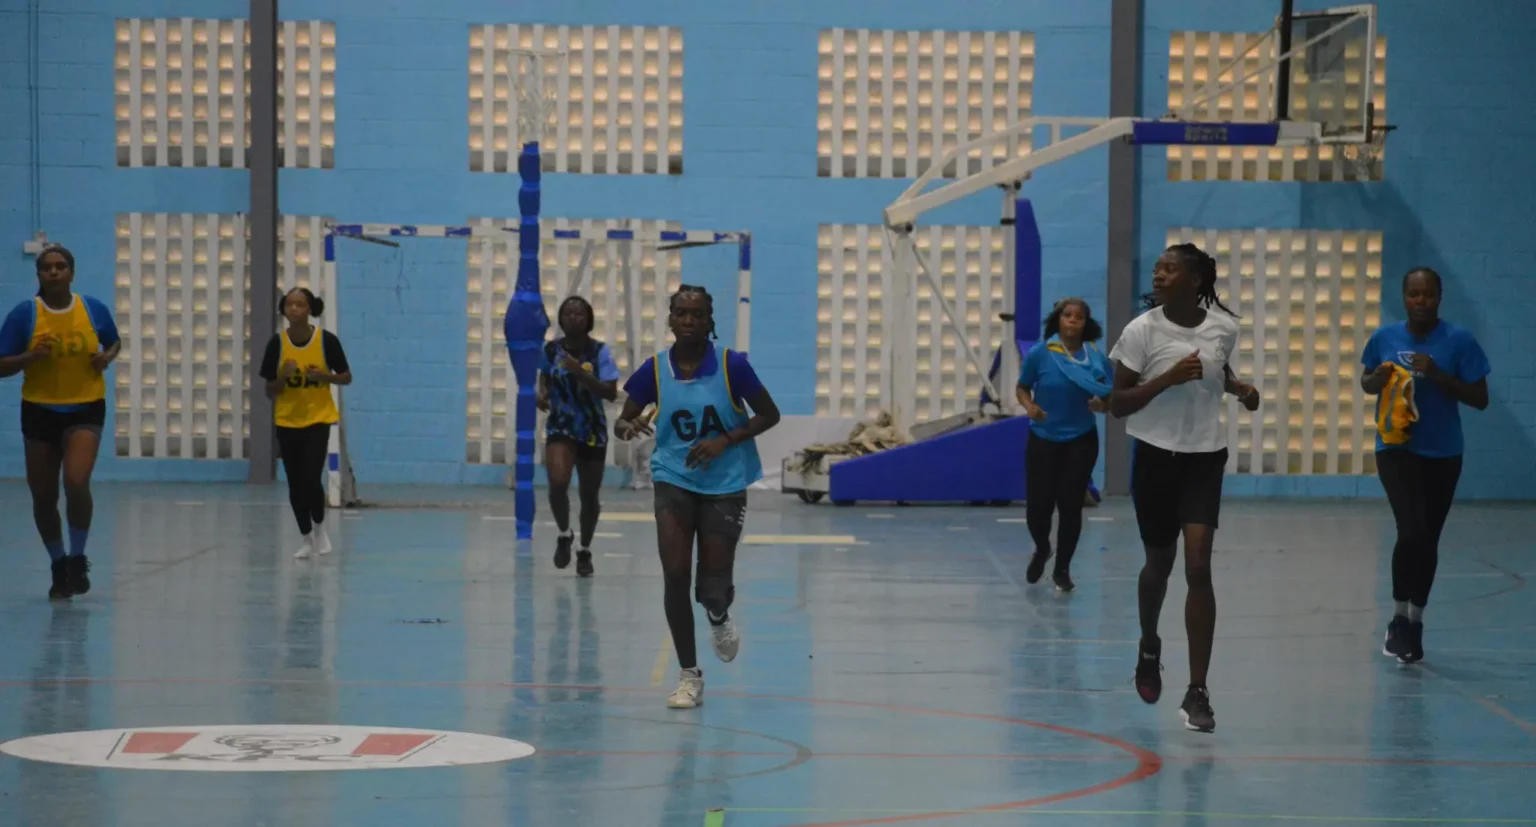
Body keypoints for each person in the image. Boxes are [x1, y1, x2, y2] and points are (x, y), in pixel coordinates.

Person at [1108, 242, 1260, 734]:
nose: (1159, 274)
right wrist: (1167, 379)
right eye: (1157, 267)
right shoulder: (1141, 331)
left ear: (1196, 280)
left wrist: (1240, 389)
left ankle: (1198, 691)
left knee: (1198, 565)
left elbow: (1219, 367)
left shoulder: (1224, 328)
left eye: (1170, 268)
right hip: (1154, 456)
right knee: (1159, 563)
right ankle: (1149, 644)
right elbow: (1118, 403)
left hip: (1203, 458)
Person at [613, 285, 781, 709]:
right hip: (673, 476)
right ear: (670, 319)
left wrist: (726, 439)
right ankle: (689, 675)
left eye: (697, 314)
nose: (689, 321)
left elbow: (769, 414)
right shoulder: (654, 370)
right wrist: (627, 427)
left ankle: (719, 615)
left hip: (725, 480)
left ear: (710, 321)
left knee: (711, 587)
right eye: (681, 314)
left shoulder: (732, 366)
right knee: (674, 574)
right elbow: (623, 419)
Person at [1361, 267, 1489, 665]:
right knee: (1412, 529)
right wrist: (1377, 380)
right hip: (1396, 448)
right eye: (1413, 294)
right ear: (1404, 297)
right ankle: (1397, 619)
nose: (1420, 301)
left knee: (1428, 539)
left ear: (1439, 298)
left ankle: (1416, 622)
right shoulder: (1385, 337)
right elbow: (1366, 382)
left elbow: (1479, 398)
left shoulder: (1459, 341)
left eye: (1428, 294)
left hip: (1444, 453)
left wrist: (1436, 374)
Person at [0, 246, 120, 600]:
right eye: (47, 268)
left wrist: (105, 358)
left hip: (85, 407)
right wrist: (30, 357)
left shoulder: (92, 308)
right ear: (38, 275)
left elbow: (114, 342)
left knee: (76, 480)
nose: (54, 272)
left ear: (72, 272)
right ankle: (58, 564)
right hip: (40, 410)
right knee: (43, 495)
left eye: (60, 266)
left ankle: (78, 557)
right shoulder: (26, 314)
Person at [1017, 298, 1113, 593]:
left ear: (1086, 323)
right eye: (1067, 315)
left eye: (1079, 317)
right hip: (1043, 438)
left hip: (1081, 440)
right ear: (1058, 320)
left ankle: (1062, 569)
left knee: (1071, 506)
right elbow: (1022, 387)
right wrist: (1030, 406)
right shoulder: (1040, 353)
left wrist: (1101, 404)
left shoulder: (1096, 357)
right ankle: (1043, 548)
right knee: (1038, 506)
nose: (1073, 321)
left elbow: (1108, 396)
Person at [258, 287, 351, 559]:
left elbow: (346, 377)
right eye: (289, 305)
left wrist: (326, 377)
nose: (294, 309)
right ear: (283, 309)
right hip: (287, 421)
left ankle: (321, 529)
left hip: (317, 419)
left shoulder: (326, 341)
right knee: (295, 483)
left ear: (310, 308)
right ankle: (306, 538)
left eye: (300, 304)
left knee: (311, 479)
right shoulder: (277, 344)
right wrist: (283, 378)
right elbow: (269, 390)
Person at [537, 295, 620, 577]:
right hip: (561, 424)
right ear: (560, 319)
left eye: (579, 313)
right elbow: (545, 376)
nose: (574, 318)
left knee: (589, 495)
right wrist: (543, 393)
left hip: (592, 428)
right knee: (558, 481)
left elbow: (610, 392)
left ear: (589, 319)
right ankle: (564, 534)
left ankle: (584, 549)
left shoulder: (599, 352)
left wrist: (579, 372)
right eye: (568, 313)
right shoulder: (551, 351)